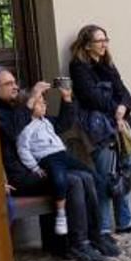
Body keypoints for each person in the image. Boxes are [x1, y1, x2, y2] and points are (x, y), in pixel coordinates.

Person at [0, 67, 115, 261]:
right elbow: (14, 131)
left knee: (86, 176)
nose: (15, 86)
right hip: (20, 176)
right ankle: (78, 244)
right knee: (73, 181)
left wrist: (67, 99)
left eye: (15, 82)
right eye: (8, 84)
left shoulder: (21, 109)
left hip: (42, 169)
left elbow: (60, 125)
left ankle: (95, 236)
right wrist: (32, 99)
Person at [69, 24, 131, 236]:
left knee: (124, 172)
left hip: (121, 126)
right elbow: (91, 97)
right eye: (99, 40)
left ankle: (125, 221)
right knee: (105, 176)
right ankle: (103, 228)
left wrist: (123, 107)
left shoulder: (108, 65)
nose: (104, 44)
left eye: (105, 39)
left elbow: (124, 92)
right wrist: (117, 109)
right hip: (100, 129)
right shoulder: (78, 67)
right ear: (87, 45)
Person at [18, 94, 99, 250]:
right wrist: (34, 167)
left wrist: (67, 98)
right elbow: (23, 149)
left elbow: (63, 124)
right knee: (60, 180)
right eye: (39, 103)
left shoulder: (46, 121)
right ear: (29, 107)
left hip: (62, 154)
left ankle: (95, 230)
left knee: (90, 174)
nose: (44, 105)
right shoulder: (26, 127)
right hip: (48, 158)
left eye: (44, 102)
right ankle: (61, 214)